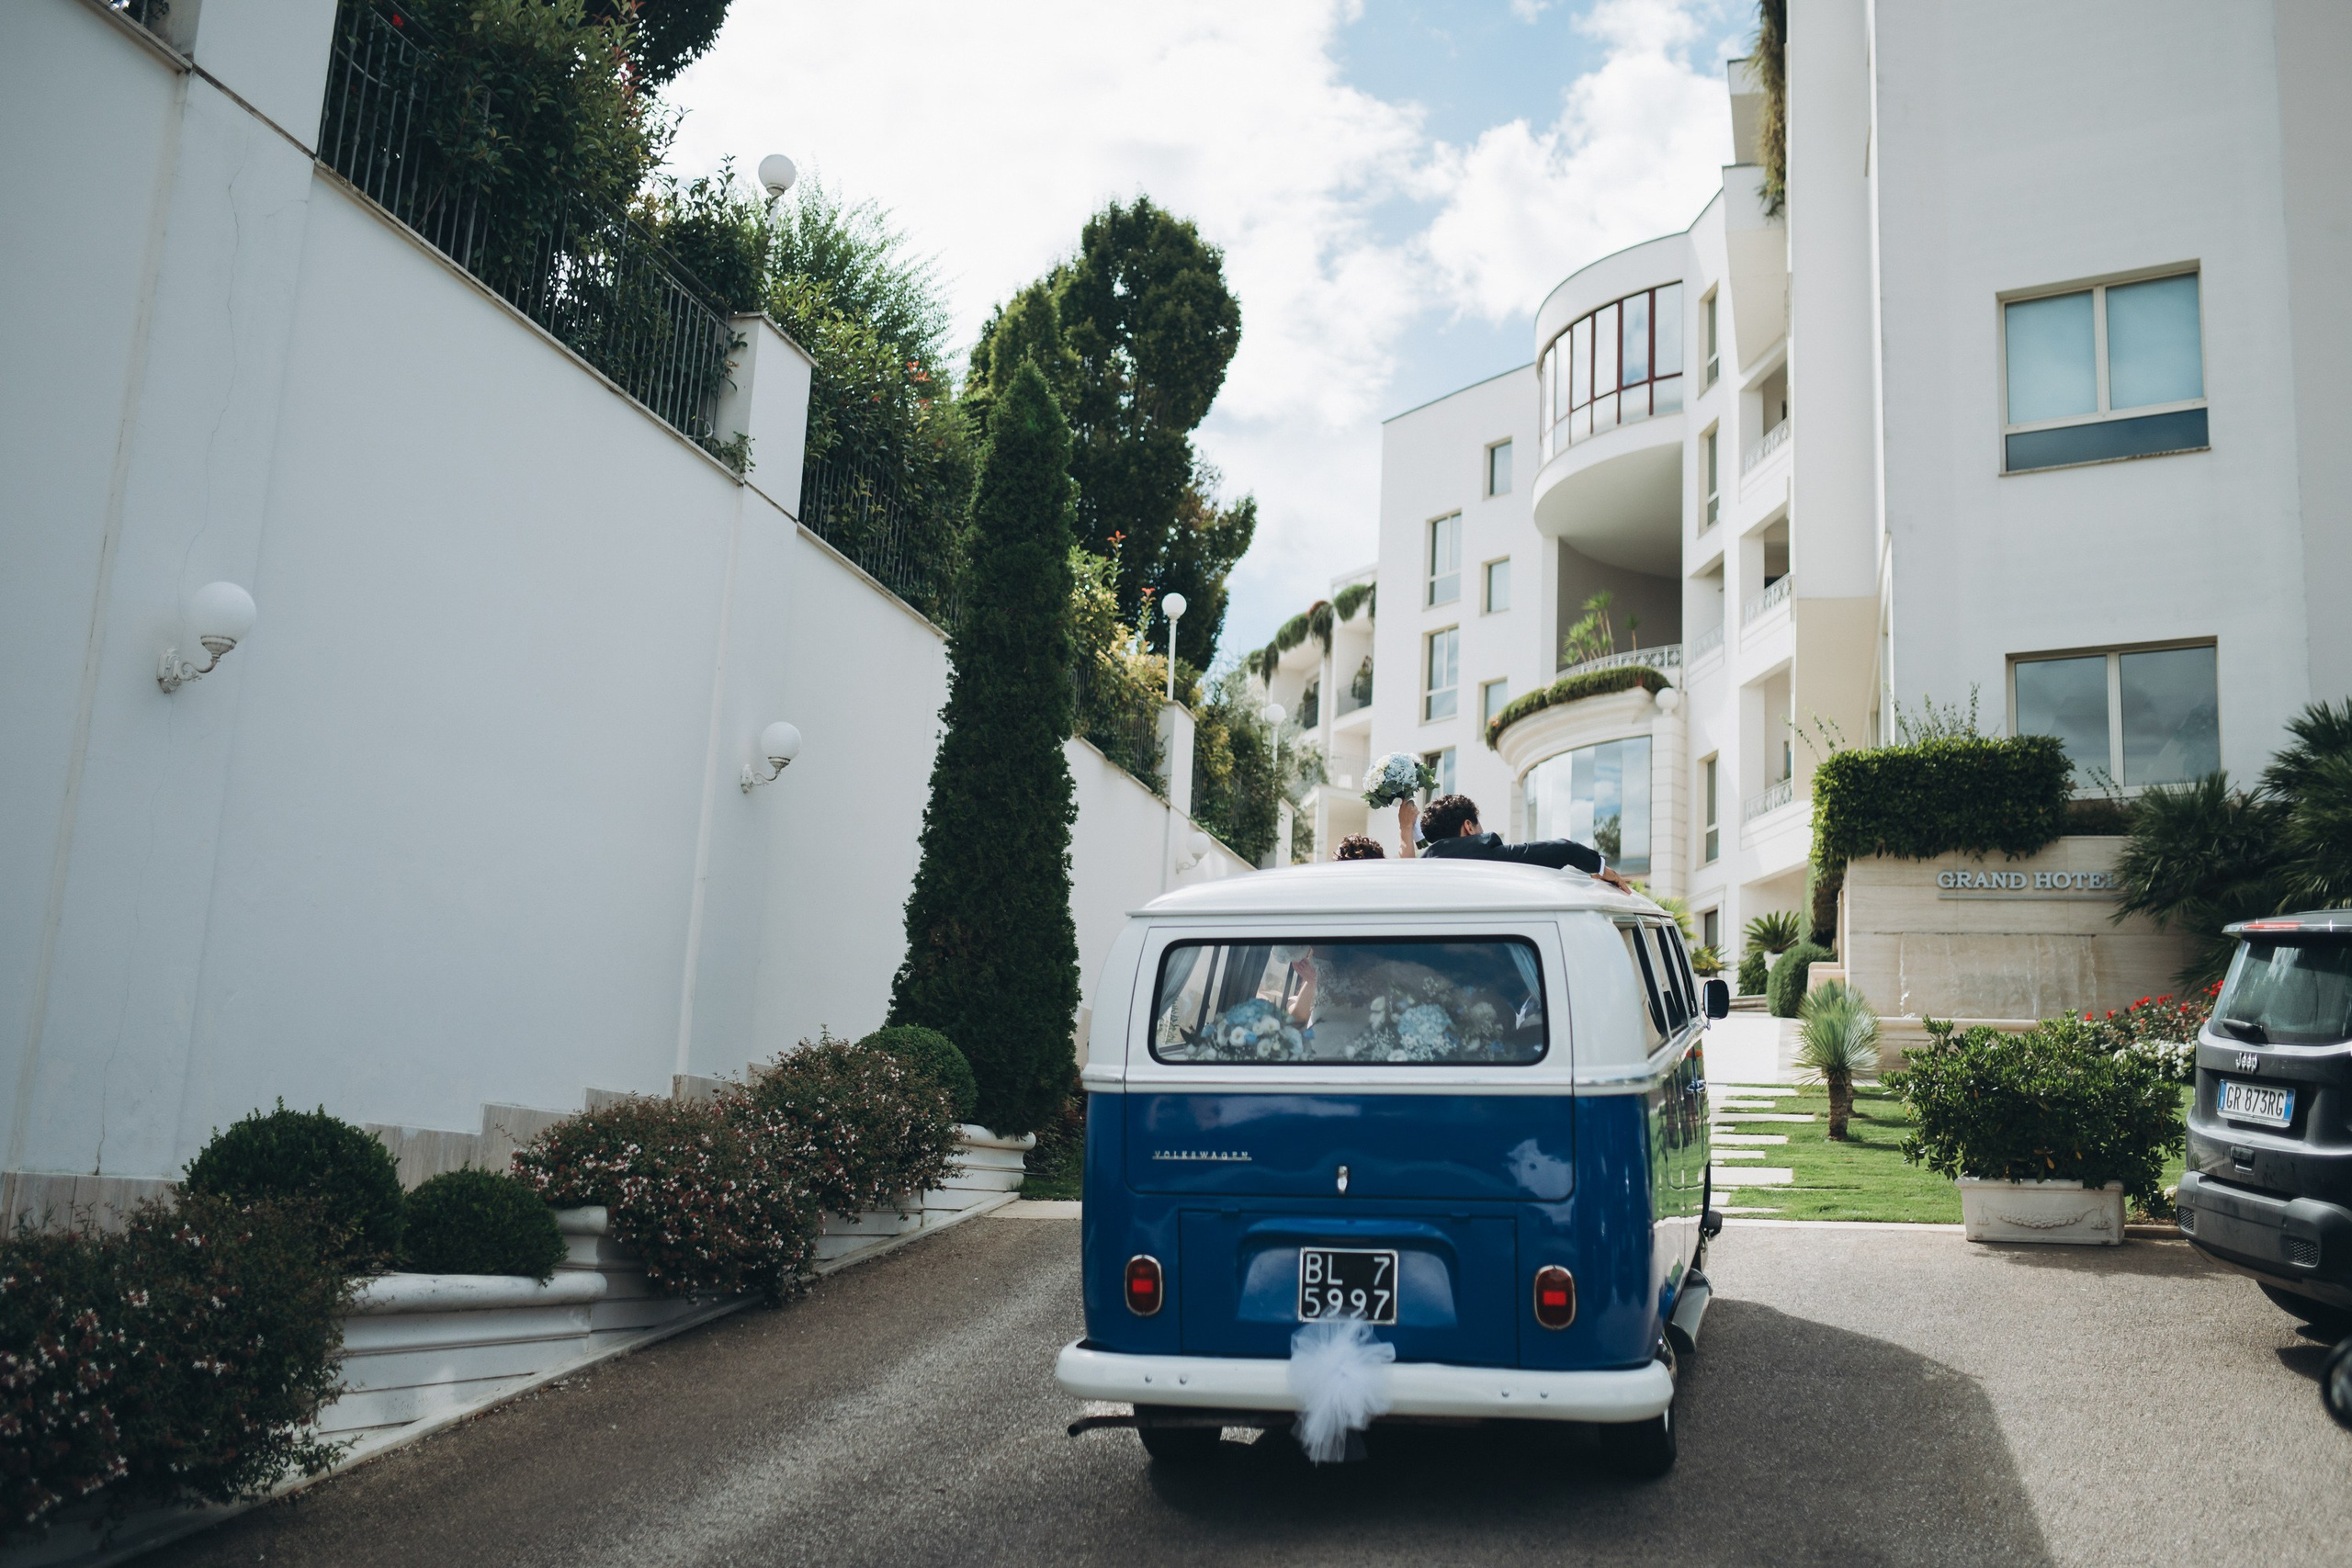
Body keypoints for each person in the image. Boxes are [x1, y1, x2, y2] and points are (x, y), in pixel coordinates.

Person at [1397, 793, 1634, 891]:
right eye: (1478, 825)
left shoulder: (1425, 867)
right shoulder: (1487, 853)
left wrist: (1406, 828)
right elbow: (1565, 850)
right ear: (1469, 827)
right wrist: (1603, 869)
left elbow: (1404, 874)